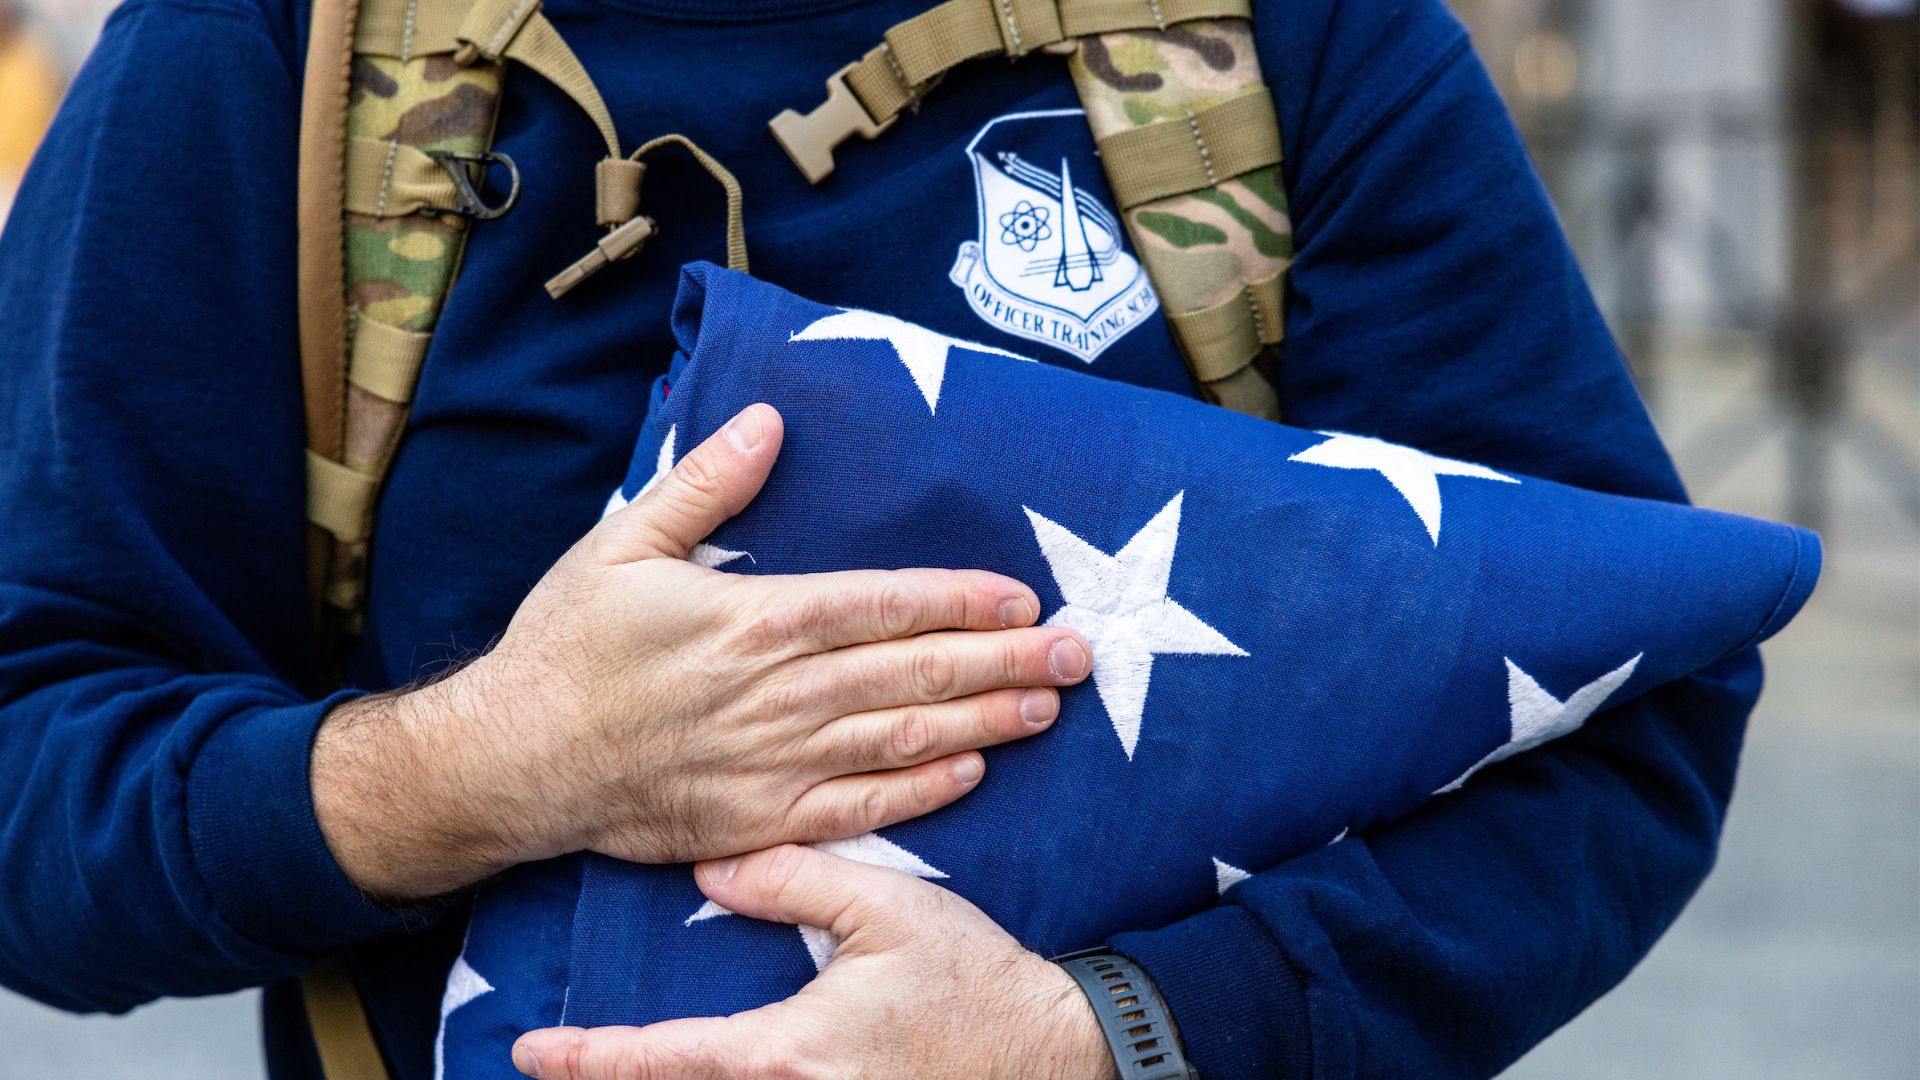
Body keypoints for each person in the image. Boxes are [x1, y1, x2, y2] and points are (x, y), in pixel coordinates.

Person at [0, 1, 1764, 1079]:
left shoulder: (1285, 37)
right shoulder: (269, 54)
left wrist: (1121, 1040)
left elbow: (1634, 699)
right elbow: (29, 773)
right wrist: (491, 765)